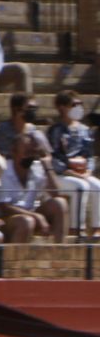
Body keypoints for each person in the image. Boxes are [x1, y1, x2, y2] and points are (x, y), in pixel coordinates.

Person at [0, 96, 67, 243]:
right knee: (26, 221)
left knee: (60, 203)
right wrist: (36, 216)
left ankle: (60, 252)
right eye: (26, 153)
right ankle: (14, 264)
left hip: (31, 213)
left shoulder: (37, 167)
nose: (30, 157)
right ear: (14, 153)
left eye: (32, 153)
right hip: (6, 220)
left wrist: (48, 167)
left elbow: (58, 193)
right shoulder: (5, 170)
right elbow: (4, 206)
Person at [49, 90, 100, 238]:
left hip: (81, 172)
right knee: (81, 187)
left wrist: (88, 171)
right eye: (74, 104)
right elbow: (54, 156)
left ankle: (97, 227)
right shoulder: (56, 130)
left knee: (97, 186)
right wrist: (67, 171)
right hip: (61, 174)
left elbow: (89, 155)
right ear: (62, 107)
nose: (78, 107)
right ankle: (76, 228)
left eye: (80, 104)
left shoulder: (85, 130)